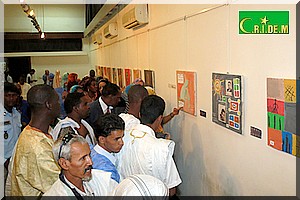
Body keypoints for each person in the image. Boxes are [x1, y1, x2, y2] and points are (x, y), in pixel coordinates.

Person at [117, 95, 182, 197]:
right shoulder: (161, 148)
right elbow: (171, 189)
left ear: (139, 114)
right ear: (160, 119)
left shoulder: (121, 139)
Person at [5, 84, 61, 196]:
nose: (59, 105)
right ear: (49, 105)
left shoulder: (33, 132)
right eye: (57, 101)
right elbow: (61, 187)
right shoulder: (37, 146)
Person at [43, 130, 118, 196]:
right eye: (83, 158)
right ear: (64, 164)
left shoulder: (102, 179)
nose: (90, 162)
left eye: (89, 155)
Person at [91, 114, 125, 183]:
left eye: (122, 137)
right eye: (116, 139)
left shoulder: (90, 150)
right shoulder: (107, 171)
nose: (121, 142)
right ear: (102, 139)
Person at [3, 82, 22, 181]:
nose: (11, 98)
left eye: (13, 95)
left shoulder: (17, 114)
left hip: (14, 160)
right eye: (7, 96)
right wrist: (4, 161)